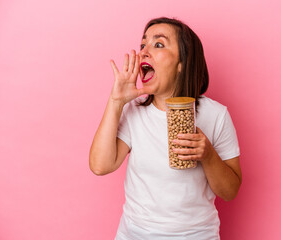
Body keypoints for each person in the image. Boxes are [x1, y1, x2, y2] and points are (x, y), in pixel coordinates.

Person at [89, 17, 242, 240]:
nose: (143, 52)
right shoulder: (134, 111)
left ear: (182, 64)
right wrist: (116, 102)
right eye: (143, 44)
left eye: (158, 44)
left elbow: (230, 192)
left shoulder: (216, 115)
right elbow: (100, 166)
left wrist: (208, 155)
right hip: (135, 234)